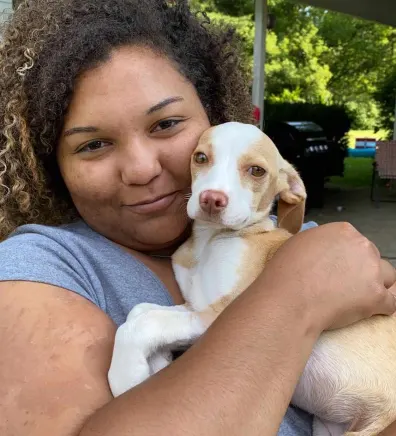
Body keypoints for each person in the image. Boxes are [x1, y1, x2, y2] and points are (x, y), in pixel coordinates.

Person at [0, 1, 395, 435]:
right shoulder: (43, 265)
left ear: (214, 116)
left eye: (166, 124)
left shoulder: (298, 240)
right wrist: (297, 294)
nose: (141, 169)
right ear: (50, 164)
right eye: (92, 145)